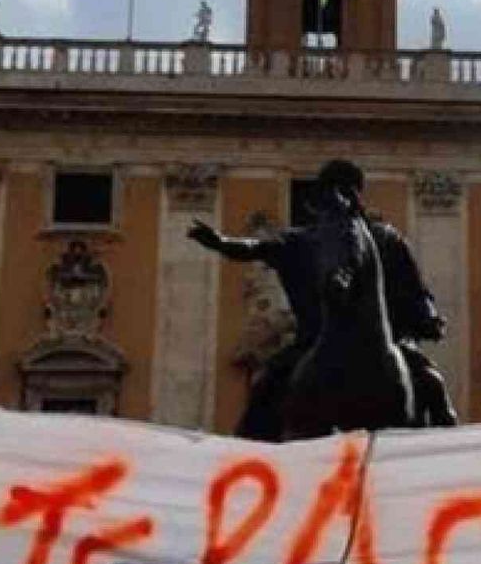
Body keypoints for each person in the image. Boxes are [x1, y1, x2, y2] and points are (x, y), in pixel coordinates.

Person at [188, 159, 458, 440]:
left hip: (390, 336)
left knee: (430, 382)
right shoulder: (301, 240)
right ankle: (246, 449)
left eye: (346, 189)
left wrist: (429, 317)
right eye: (334, 189)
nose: (341, 196)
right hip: (312, 340)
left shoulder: (387, 239)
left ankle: (447, 449)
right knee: (265, 387)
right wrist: (221, 242)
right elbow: (256, 247)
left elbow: (415, 288)